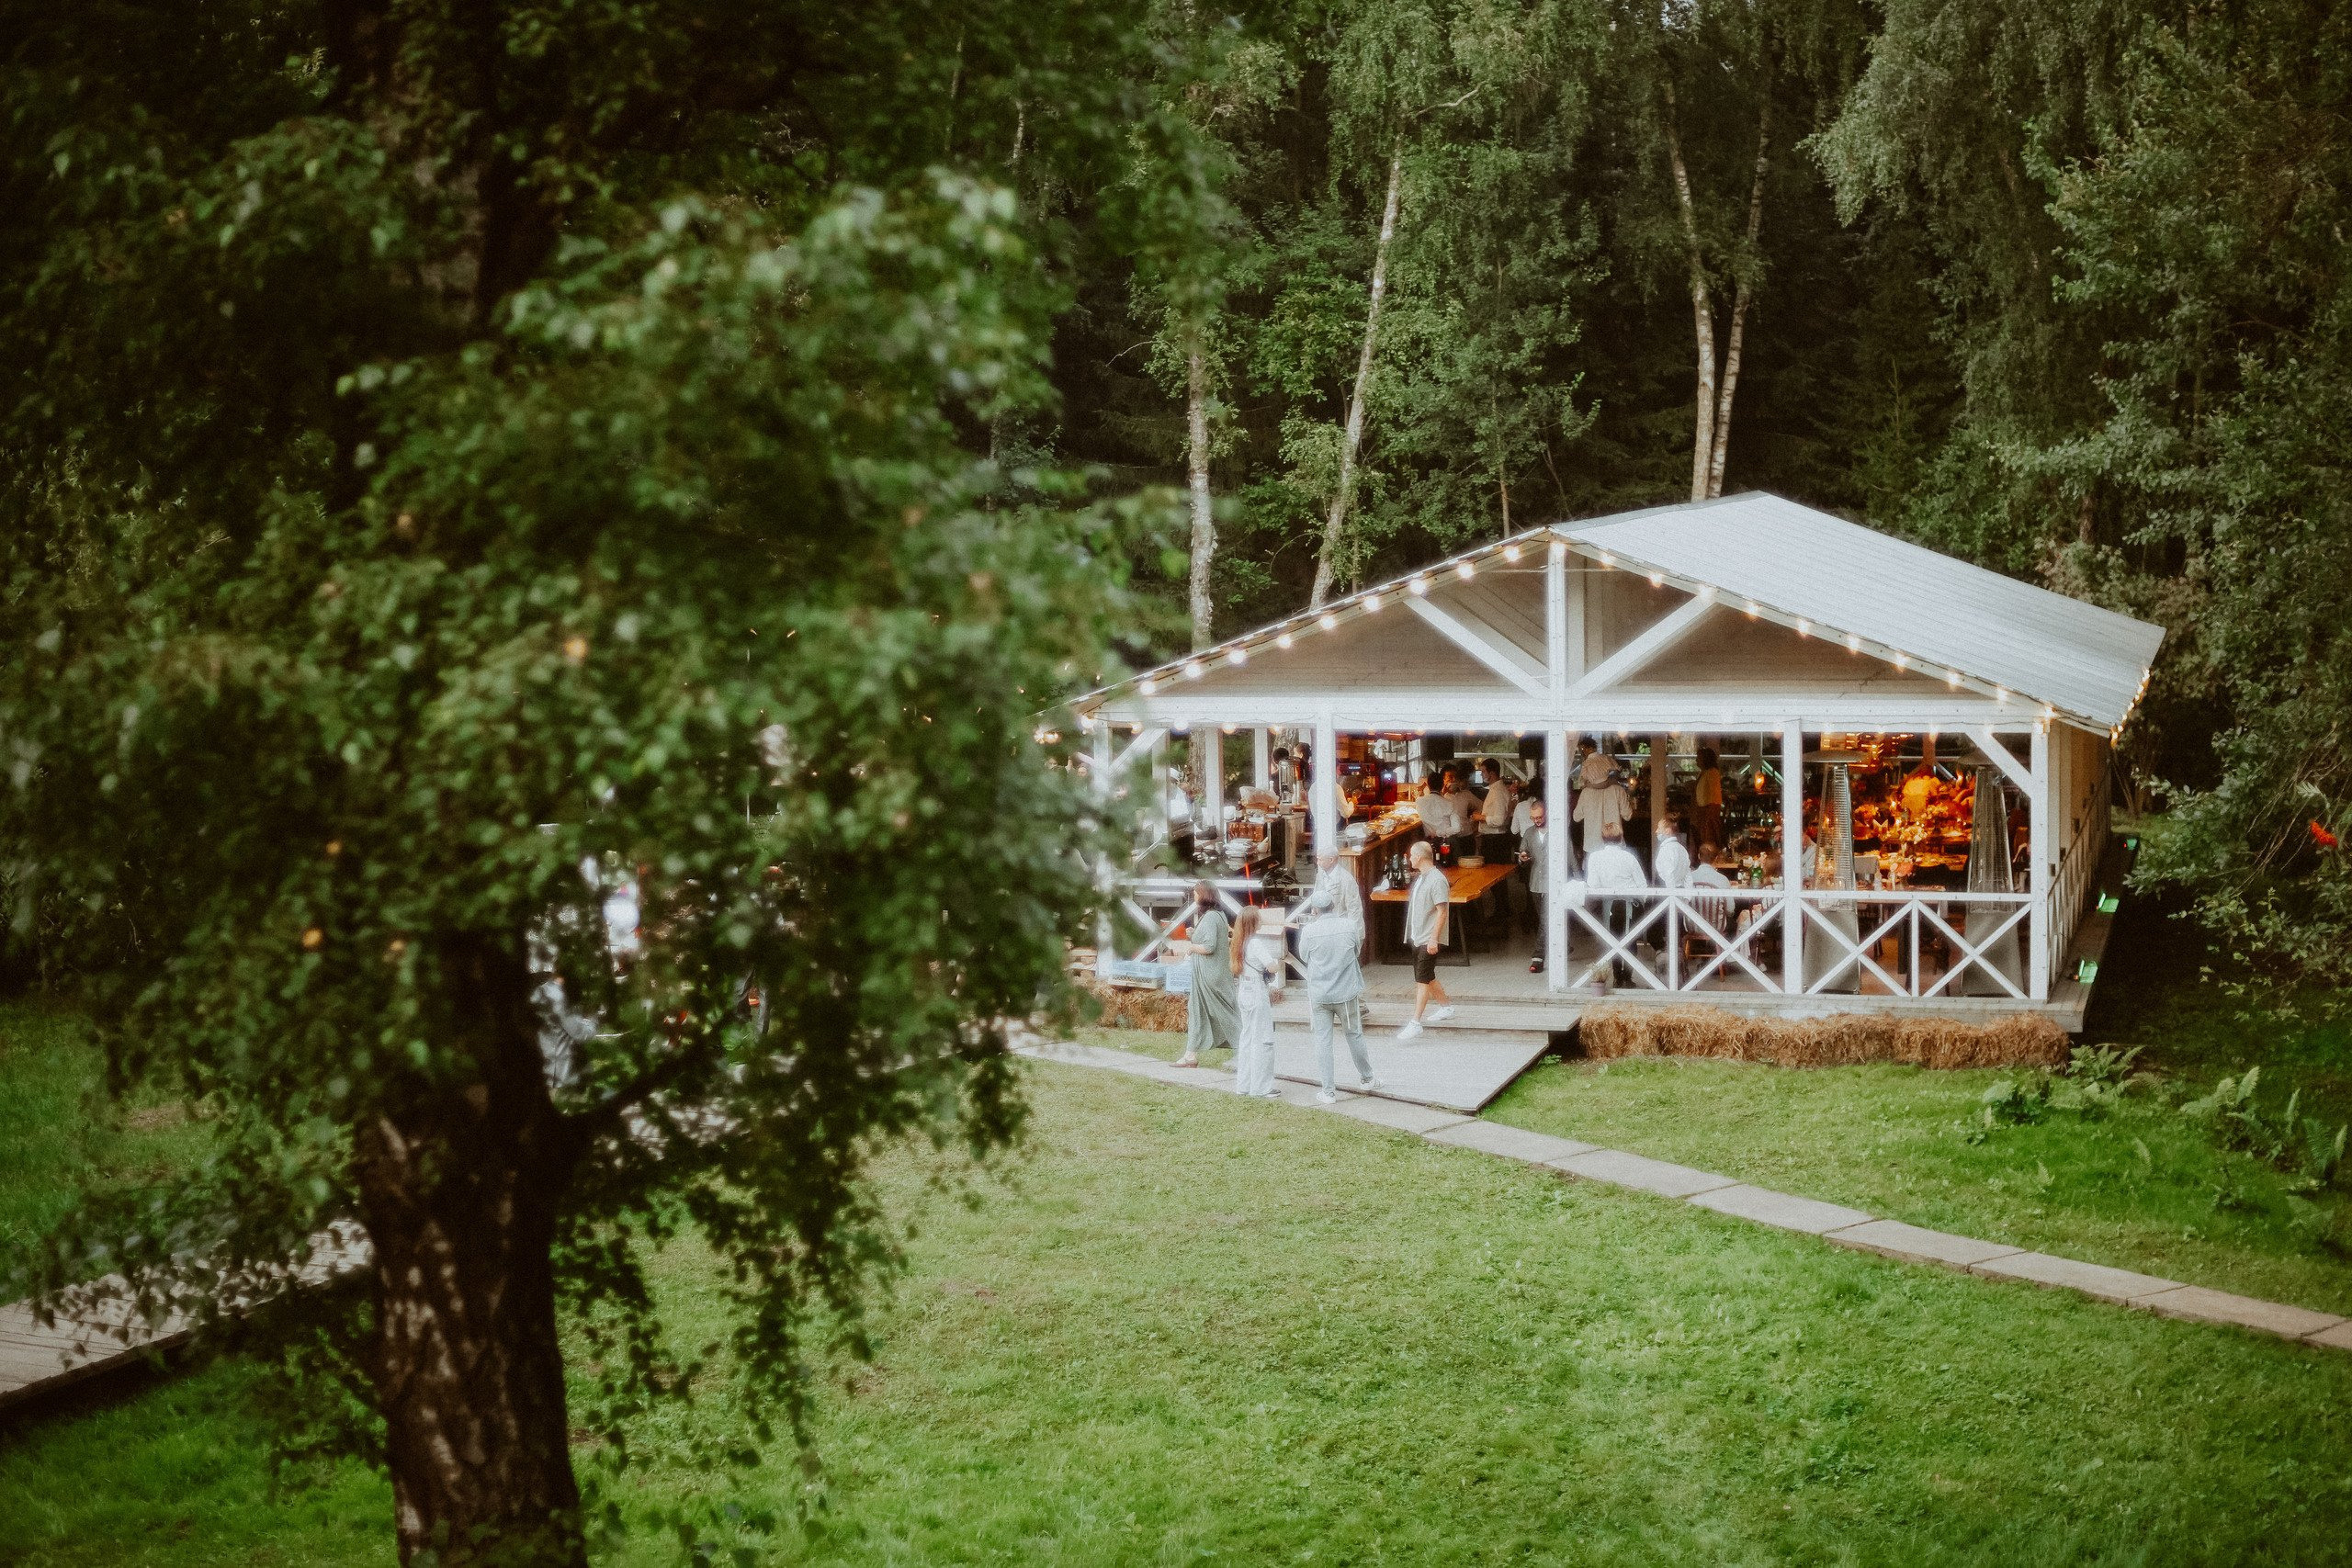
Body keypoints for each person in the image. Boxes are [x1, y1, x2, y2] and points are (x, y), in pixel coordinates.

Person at [1296, 892, 1379, 1103]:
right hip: (1346, 992)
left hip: (1320, 993)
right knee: (1354, 1035)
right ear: (1333, 906)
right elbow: (1356, 951)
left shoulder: (1309, 931)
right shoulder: (1349, 926)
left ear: (1314, 910)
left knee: (1323, 1041)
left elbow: (1304, 956)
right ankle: (1367, 1077)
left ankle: (1328, 1091)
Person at [1174, 881, 1240, 1067]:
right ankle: (1190, 1055)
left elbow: (1209, 947)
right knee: (1197, 1012)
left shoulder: (1211, 917)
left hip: (1209, 976)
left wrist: (1191, 946)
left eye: (1196, 893)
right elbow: (1213, 939)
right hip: (1209, 974)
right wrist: (1193, 934)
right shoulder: (1218, 915)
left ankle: (1245, 1045)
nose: (1194, 897)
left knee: (1224, 1014)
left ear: (1203, 895)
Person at [1397, 840, 1455, 1040]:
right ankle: (1446, 1008)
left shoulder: (1436, 880)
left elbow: (1442, 911)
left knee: (1421, 980)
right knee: (1427, 976)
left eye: (1412, 855)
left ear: (1420, 857)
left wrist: (1433, 939)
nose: (1410, 858)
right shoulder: (1422, 877)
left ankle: (1415, 1022)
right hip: (1418, 935)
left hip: (1428, 938)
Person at [1583, 820, 1648, 987]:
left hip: (1609, 905)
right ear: (1621, 838)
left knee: (1613, 942)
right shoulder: (1629, 857)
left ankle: (1618, 977)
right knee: (1631, 942)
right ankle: (1627, 977)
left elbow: (1594, 885)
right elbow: (1642, 885)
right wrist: (1642, 903)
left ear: (1603, 838)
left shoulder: (1595, 857)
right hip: (1629, 905)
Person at [1230, 906, 1283, 1098]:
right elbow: (1272, 967)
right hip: (1257, 992)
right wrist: (1277, 963)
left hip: (1244, 990)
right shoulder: (1256, 943)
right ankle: (1262, 1087)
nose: (1261, 920)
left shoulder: (1239, 942)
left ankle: (1244, 1084)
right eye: (1259, 918)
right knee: (1263, 1039)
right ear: (1253, 922)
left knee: (1247, 1038)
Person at [1572, 749, 1632, 852]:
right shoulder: (1618, 790)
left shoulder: (1586, 793)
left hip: (1592, 846)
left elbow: (1576, 817)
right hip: (1615, 845)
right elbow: (1628, 815)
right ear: (1607, 770)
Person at [1521, 799, 1554, 973]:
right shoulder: (1529, 833)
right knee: (1545, 919)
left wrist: (1577, 876)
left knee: (1546, 920)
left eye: (1539, 817)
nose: (1537, 821)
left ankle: (1538, 957)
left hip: (1552, 882)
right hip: (1535, 883)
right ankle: (1565, 943)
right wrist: (1523, 857)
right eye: (1533, 818)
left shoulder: (1556, 830)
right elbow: (1523, 851)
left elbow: (1569, 853)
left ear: (1546, 814)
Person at [1309, 846, 1364, 925]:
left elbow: (1354, 909)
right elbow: (1315, 897)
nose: (1317, 863)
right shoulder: (1320, 875)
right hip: (1323, 925)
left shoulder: (1346, 879)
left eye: (1320, 859)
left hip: (1340, 926)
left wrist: (1354, 934)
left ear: (1331, 860)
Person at [1477, 761, 1515, 862]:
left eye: (1483, 771)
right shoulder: (1495, 789)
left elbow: (1499, 820)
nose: (1481, 774)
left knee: (1494, 874)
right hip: (1492, 839)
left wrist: (1481, 817)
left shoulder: (1498, 791)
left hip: (1495, 841)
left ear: (1492, 773)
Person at [1653, 807, 1693, 890]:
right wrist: (1687, 898)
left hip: (1666, 893)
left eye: (1659, 828)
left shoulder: (1666, 850)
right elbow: (1688, 876)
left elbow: (1669, 874)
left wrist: (1672, 897)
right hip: (1679, 893)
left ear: (1667, 831)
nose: (1656, 831)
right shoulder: (1682, 850)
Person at [1693, 746, 1724, 852]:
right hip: (1701, 811)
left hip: (1708, 812)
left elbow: (1714, 797)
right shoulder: (1703, 773)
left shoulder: (1712, 773)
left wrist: (1709, 817)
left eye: (1699, 757)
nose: (1696, 760)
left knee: (1708, 840)